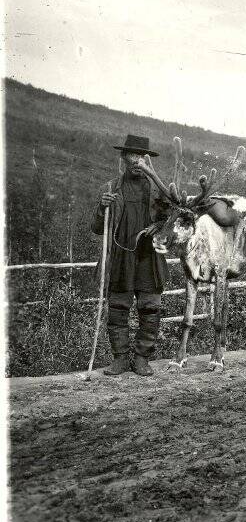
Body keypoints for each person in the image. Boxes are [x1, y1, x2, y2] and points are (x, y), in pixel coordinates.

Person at [91, 134, 169, 376]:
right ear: (123, 157)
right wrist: (102, 207)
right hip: (120, 257)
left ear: (148, 161)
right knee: (118, 308)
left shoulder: (159, 191)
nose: (136, 161)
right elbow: (96, 228)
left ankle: (142, 358)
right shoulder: (111, 188)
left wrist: (160, 226)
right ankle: (121, 359)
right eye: (132, 155)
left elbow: (174, 223)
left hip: (149, 258)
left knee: (150, 308)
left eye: (141, 157)